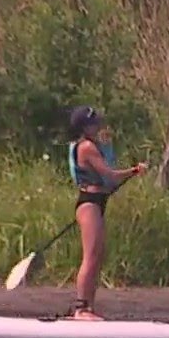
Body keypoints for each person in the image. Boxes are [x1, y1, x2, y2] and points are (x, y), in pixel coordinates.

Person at [67, 106, 149, 321]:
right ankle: (81, 309)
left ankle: (89, 307)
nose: (98, 126)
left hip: (98, 202)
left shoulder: (95, 145)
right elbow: (109, 175)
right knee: (90, 256)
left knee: (98, 256)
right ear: (84, 127)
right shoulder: (86, 147)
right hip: (89, 204)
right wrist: (134, 170)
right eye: (94, 123)